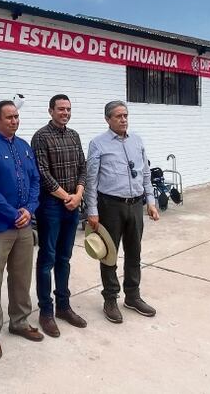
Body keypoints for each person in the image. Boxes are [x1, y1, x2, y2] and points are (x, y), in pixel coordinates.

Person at [0, 100, 42, 358]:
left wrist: (29, 209)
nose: (14, 121)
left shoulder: (24, 147)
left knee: (22, 276)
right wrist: (13, 213)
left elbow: (35, 180)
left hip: (24, 225)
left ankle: (19, 321)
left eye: (16, 117)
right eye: (9, 117)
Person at [85, 100, 160, 324]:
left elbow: (145, 173)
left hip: (135, 205)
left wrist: (151, 201)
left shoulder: (137, 141)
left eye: (125, 115)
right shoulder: (98, 144)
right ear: (108, 119)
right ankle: (110, 298)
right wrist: (92, 210)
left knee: (134, 252)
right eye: (118, 116)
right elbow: (91, 180)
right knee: (109, 254)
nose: (123, 119)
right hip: (110, 206)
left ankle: (132, 296)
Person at [30, 94, 89, 337]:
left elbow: (83, 167)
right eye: (61, 109)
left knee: (64, 258)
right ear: (50, 111)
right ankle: (46, 312)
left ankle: (64, 306)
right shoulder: (41, 137)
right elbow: (42, 173)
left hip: (72, 205)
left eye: (68, 109)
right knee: (47, 259)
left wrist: (79, 194)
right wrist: (67, 197)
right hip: (52, 207)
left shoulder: (74, 135)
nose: (65, 113)